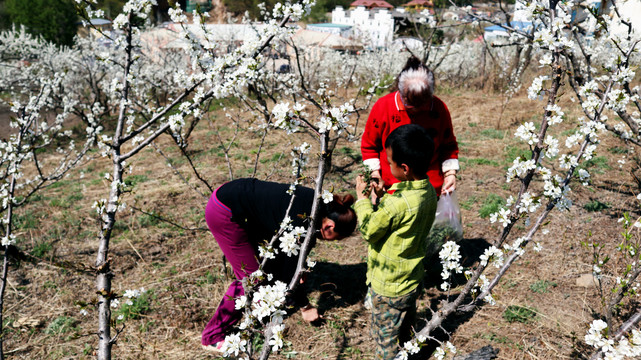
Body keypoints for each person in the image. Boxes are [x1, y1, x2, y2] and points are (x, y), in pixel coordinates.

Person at [201, 178, 357, 352]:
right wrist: (305, 306)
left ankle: (270, 301)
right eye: (336, 239)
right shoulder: (304, 225)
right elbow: (290, 270)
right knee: (251, 279)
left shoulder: (318, 204)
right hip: (224, 212)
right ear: (329, 226)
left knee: (267, 264)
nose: (331, 242)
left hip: (233, 196)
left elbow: (288, 259)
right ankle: (212, 336)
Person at [355, 124, 438, 360]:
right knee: (406, 327)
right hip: (411, 280)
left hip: (388, 286)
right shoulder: (429, 192)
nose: (387, 167)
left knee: (385, 339)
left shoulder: (396, 204)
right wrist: (384, 197)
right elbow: (402, 221)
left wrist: (363, 200)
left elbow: (370, 230)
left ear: (404, 168)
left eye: (390, 163)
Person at [361, 56, 459, 197]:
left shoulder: (439, 109)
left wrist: (450, 173)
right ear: (400, 91)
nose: (416, 110)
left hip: (429, 191)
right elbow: (369, 145)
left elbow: (448, 145)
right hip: (390, 189)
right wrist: (374, 174)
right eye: (410, 104)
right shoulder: (384, 107)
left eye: (422, 104)